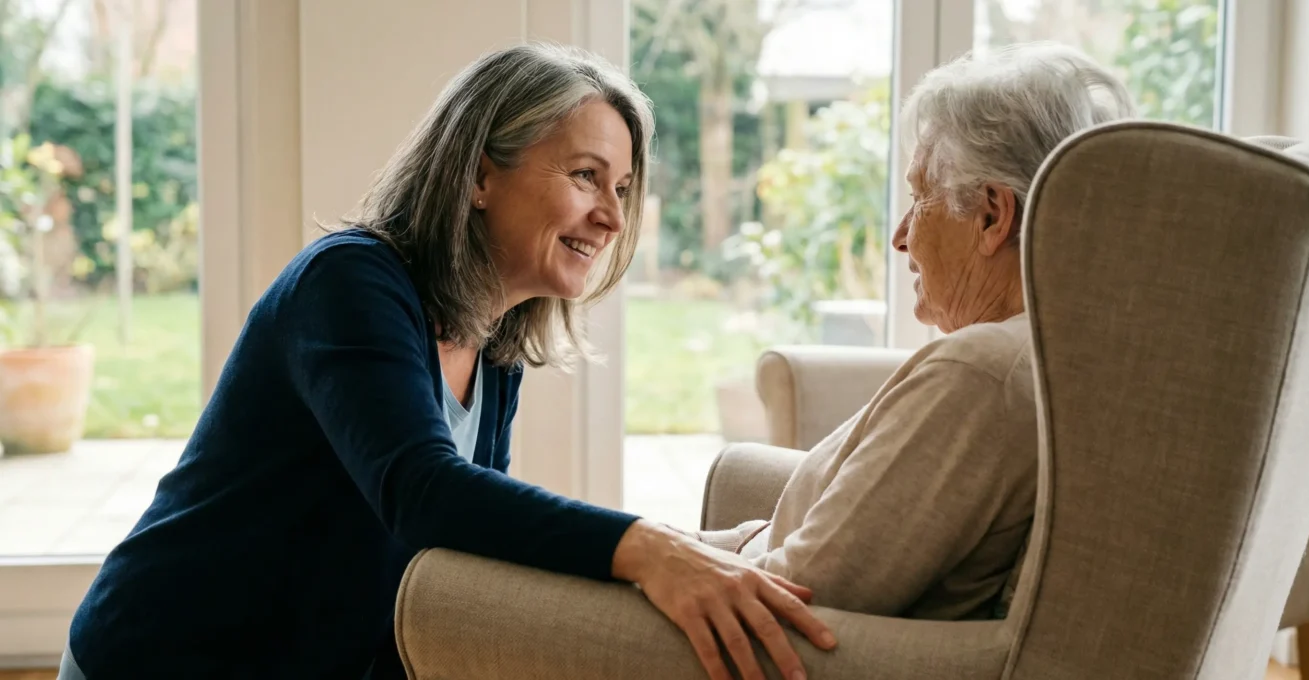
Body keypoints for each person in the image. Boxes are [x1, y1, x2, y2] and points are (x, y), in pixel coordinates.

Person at [60, 43, 833, 680]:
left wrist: (685, 551)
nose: (613, 216)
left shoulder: (494, 343)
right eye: (586, 175)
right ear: (478, 175)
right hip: (158, 659)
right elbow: (424, 493)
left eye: (623, 187)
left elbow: (461, 542)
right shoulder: (349, 282)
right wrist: (649, 549)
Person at [698, 43, 1136, 620]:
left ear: (991, 216)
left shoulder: (980, 375)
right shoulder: (1061, 348)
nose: (900, 236)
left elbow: (797, 597)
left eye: (919, 197)